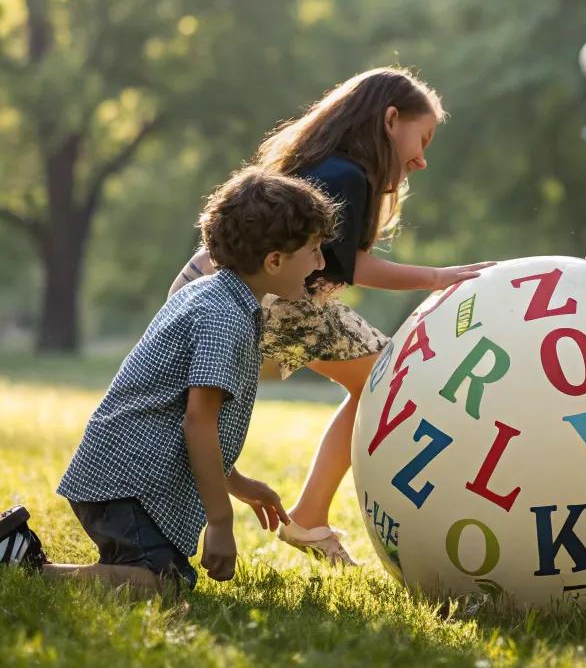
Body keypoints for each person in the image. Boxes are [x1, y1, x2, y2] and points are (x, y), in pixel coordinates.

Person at [169, 67, 492, 567]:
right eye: (421, 138)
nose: (423, 159)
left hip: (212, 285)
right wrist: (439, 276)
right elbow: (352, 265)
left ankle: (308, 514)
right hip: (253, 293)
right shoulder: (346, 174)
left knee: (378, 381)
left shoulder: (333, 166)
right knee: (391, 378)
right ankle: (309, 516)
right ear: (390, 120)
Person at [0, 167, 336, 592]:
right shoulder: (223, 317)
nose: (321, 263)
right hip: (126, 485)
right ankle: (23, 565)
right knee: (165, 584)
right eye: (315, 250)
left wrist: (240, 484)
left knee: (161, 574)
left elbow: (181, 416)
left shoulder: (213, 295)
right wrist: (220, 521)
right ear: (274, 261)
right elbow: (198, 422)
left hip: (122, 478)